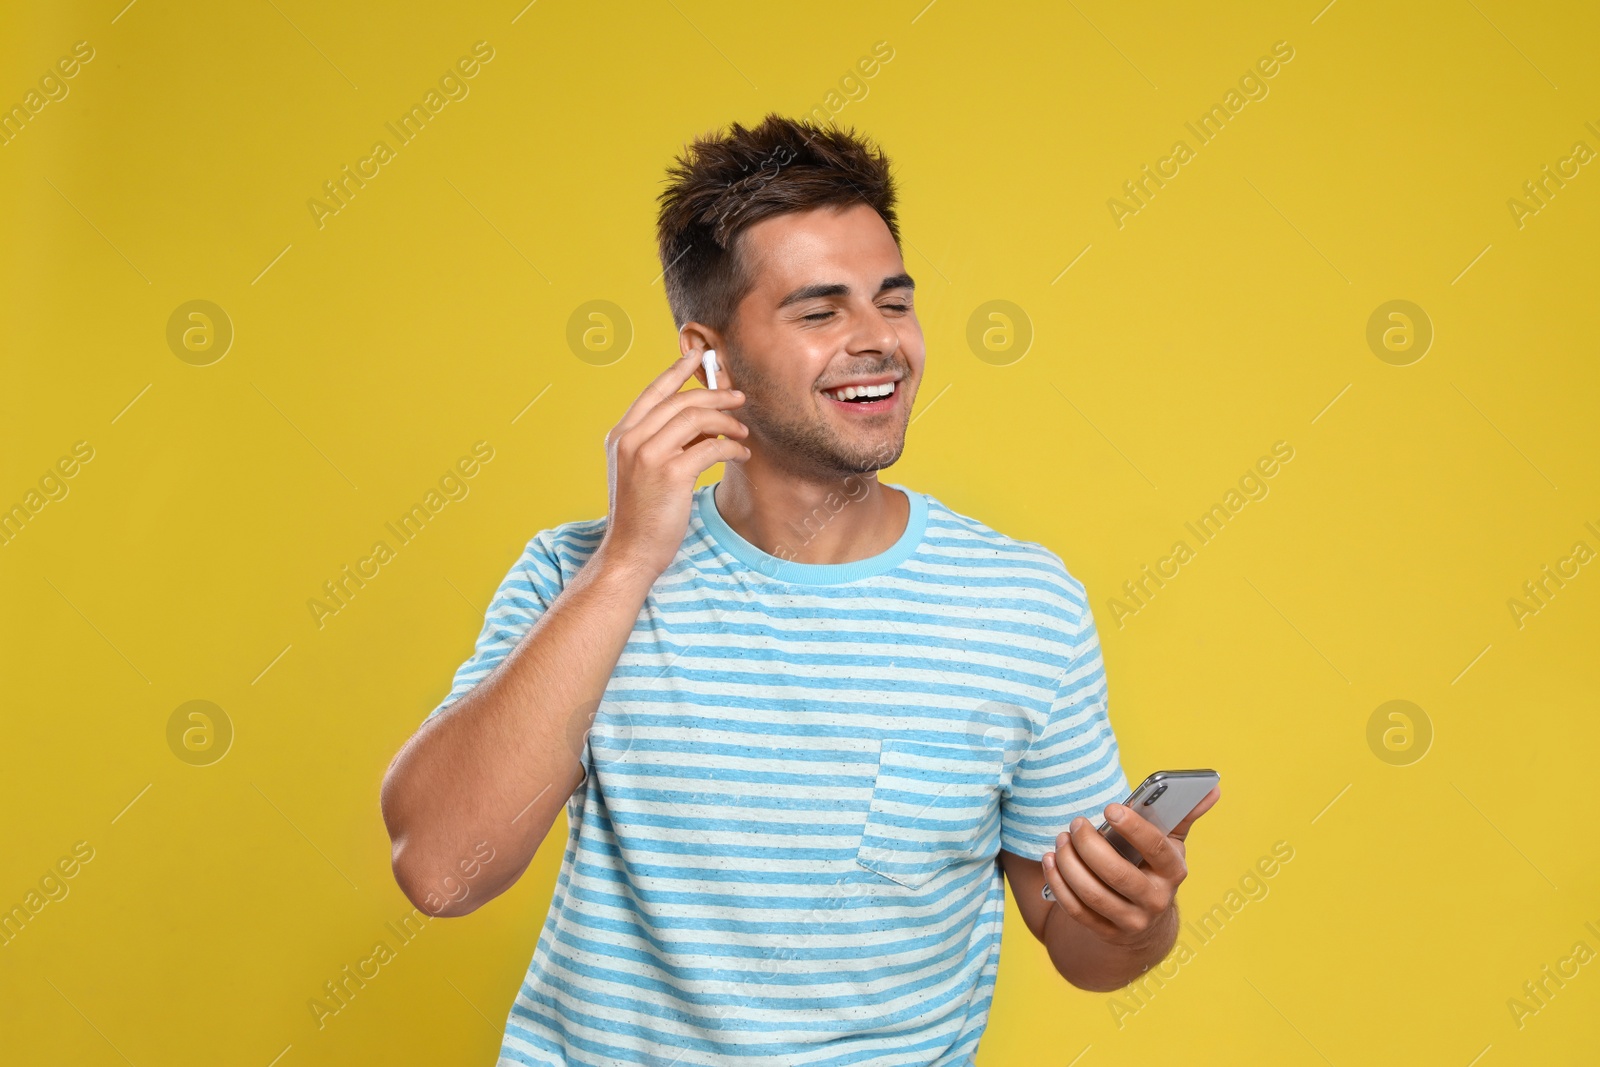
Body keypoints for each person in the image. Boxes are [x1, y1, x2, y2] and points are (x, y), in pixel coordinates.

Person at [379, 112, 1219, 1066]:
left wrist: (1139, 918)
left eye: (893, 302)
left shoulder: (1022, 604)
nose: (878, 342)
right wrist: (625, 563)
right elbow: (442, 873)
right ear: (709, 356)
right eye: (820, 312)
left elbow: (1082, 947)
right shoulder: (576, 575)